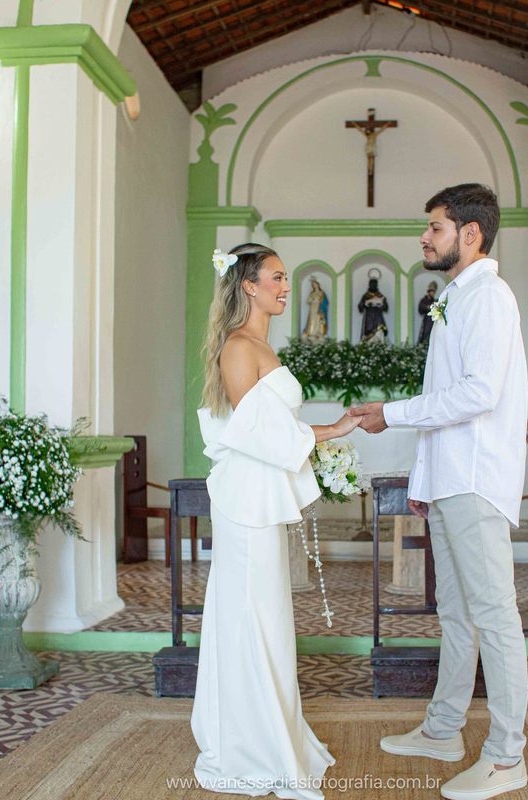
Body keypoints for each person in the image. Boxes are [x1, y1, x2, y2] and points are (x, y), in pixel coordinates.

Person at [349, 184, 528, 800]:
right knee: (456, 614)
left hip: (476, 480)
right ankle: (443, 730)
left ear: (470, 234)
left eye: (435, 228)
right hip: (451, 481)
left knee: (495, 617)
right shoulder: (454, 299)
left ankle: (508, 758)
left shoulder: (489, 297)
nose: (424, 238)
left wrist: (391, 414)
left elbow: (480, 393)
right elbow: (445, 390)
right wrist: (425, 482)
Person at [193, 242, 359, 799]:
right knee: (251, 619)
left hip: (259, 499)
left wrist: (324, 435)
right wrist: (331, 433)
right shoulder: (239, 347)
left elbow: (270, 427)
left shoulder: (259, 343)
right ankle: (252, 746)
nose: (286, 287)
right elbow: (253, 433)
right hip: (245, 505)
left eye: (287, 279)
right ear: (248, 285)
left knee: (268, 619)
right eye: (277, 278)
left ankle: (272, 733)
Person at [417, 280, 439, 345]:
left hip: (433, 320)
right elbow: (421, 308)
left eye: (434, 292)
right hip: (427, 320)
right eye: (432, 292)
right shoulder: (424, 300)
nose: (433, 293)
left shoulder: (435, 301)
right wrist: (428, 307)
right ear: (429, 292)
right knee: (425, 333)